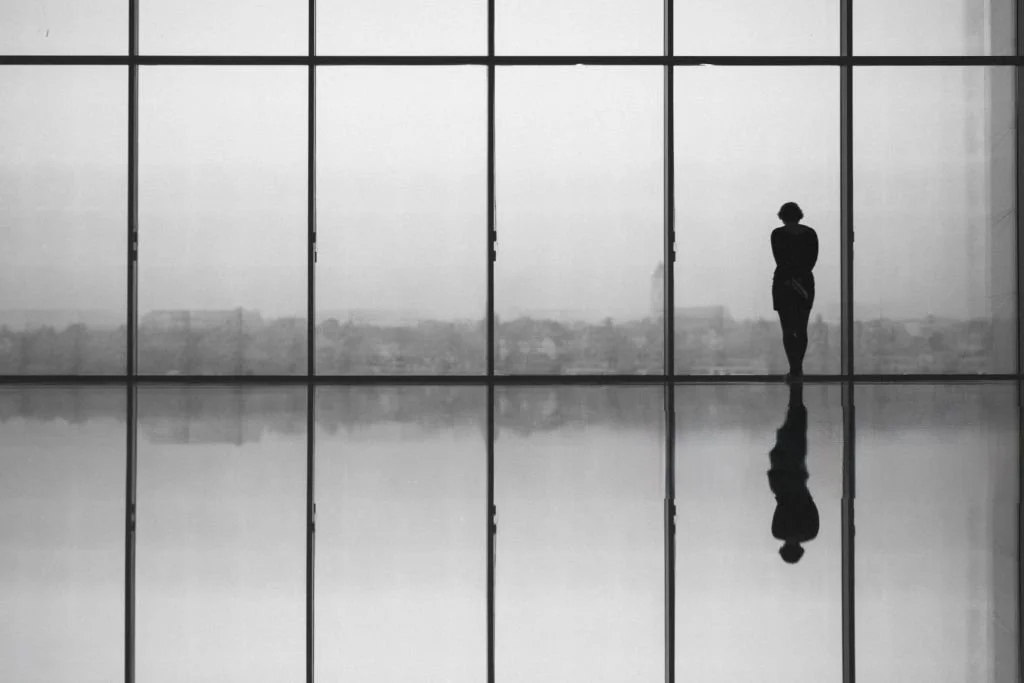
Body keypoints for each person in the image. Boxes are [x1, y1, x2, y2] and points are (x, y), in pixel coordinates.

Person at [768, 381, 819, 564]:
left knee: (796, 429)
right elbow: (781, 505)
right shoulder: (778, 531)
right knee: (791, 432)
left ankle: (796, 392)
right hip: (782, 478)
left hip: (794, 476)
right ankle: (795, 391)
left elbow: (809, 505)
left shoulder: (810, 531)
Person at [771, 202, 818, 383]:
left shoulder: (777, 234)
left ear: (781, 216)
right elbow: (812, 259)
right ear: (799, 215)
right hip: (805, 283)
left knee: (788, 328)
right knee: (801, 327)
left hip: (783, 283)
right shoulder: (810, 233)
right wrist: (800, 276)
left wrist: (791, 277)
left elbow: (780, 259)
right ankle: (798, 369)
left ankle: (793, 369)